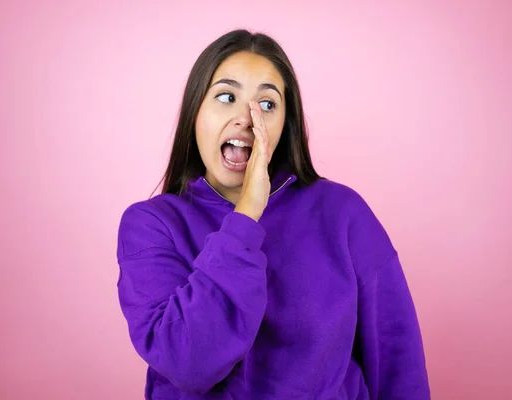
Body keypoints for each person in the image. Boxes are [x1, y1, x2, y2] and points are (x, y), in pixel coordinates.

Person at [116, 29, 430, 399]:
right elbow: (186, 361)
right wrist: (246, 215)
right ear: (195, 111)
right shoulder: (150, 225)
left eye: (267, 104)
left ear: (286, 122)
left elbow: (396, 357)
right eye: (227, 96)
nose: (246, 119)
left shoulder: (343, 213)